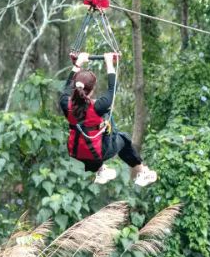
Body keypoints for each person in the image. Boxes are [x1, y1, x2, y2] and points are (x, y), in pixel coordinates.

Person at [60, 52, 157, 187]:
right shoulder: (99, 106)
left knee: (92, 144)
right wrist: (109, 63)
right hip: (97, 153)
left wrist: (78, 63)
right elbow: (113, 88)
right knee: (123, 138)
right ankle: (141, 172)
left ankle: (100, 170)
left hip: (76, 152)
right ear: (92, 89)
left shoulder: (65, 103)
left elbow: (66, 88)